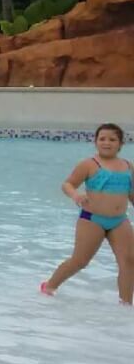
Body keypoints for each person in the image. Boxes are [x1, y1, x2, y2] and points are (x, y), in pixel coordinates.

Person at [42, 123, 134, 304]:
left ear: (121, 144)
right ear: (95, 142)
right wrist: (76, 195)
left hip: (119, 221)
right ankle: (49, 286)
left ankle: (126, 305)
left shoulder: (128, 166)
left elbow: (131, 194)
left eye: (112, 139)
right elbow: (67, 184)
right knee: (80, 260)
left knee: (130, 261)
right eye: (102, 139)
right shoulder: (89, 164)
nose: (106, 143)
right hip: (92, 219)